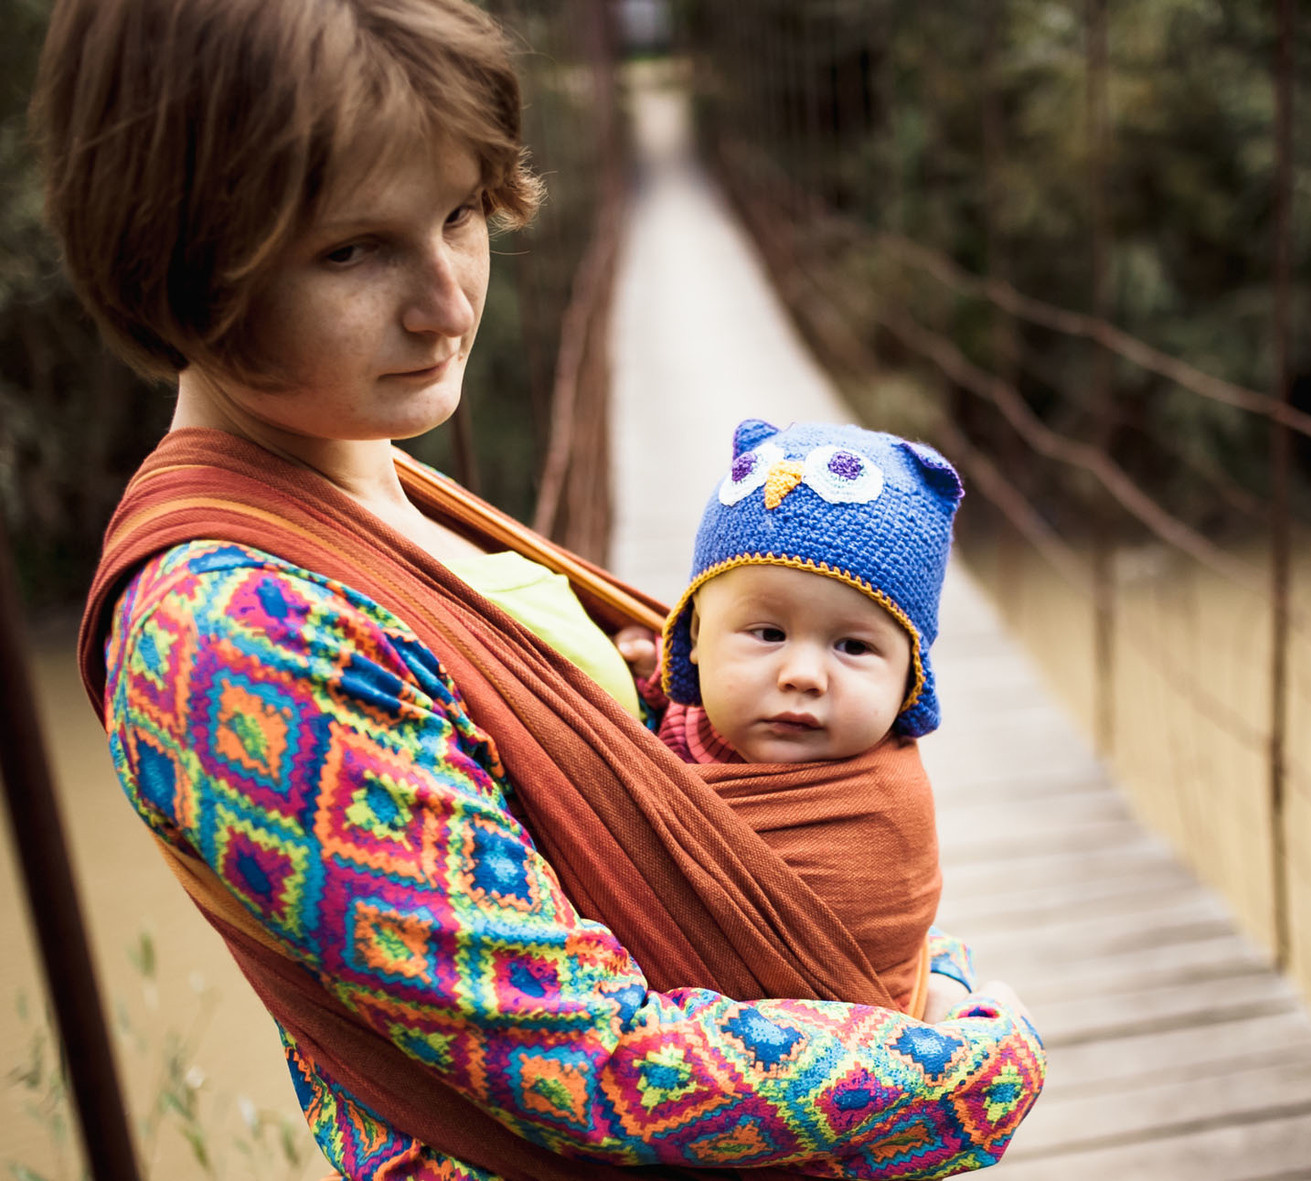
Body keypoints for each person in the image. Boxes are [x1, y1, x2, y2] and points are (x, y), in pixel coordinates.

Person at [37, 1, 1043, 1176]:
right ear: (179, 253)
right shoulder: (227, 631)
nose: (449, 302)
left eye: (459, 213)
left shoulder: (375, 476)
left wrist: (920, 961)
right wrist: (971, 1067)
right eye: (350, 250)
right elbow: (590, 1064)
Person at [647, 418, 966, 1020]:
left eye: (853, 647)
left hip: (838, 1052)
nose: (803, 675)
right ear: (695, 638)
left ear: (910, 678)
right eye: (767, 633)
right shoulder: (684, 717)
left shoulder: (880, 812)